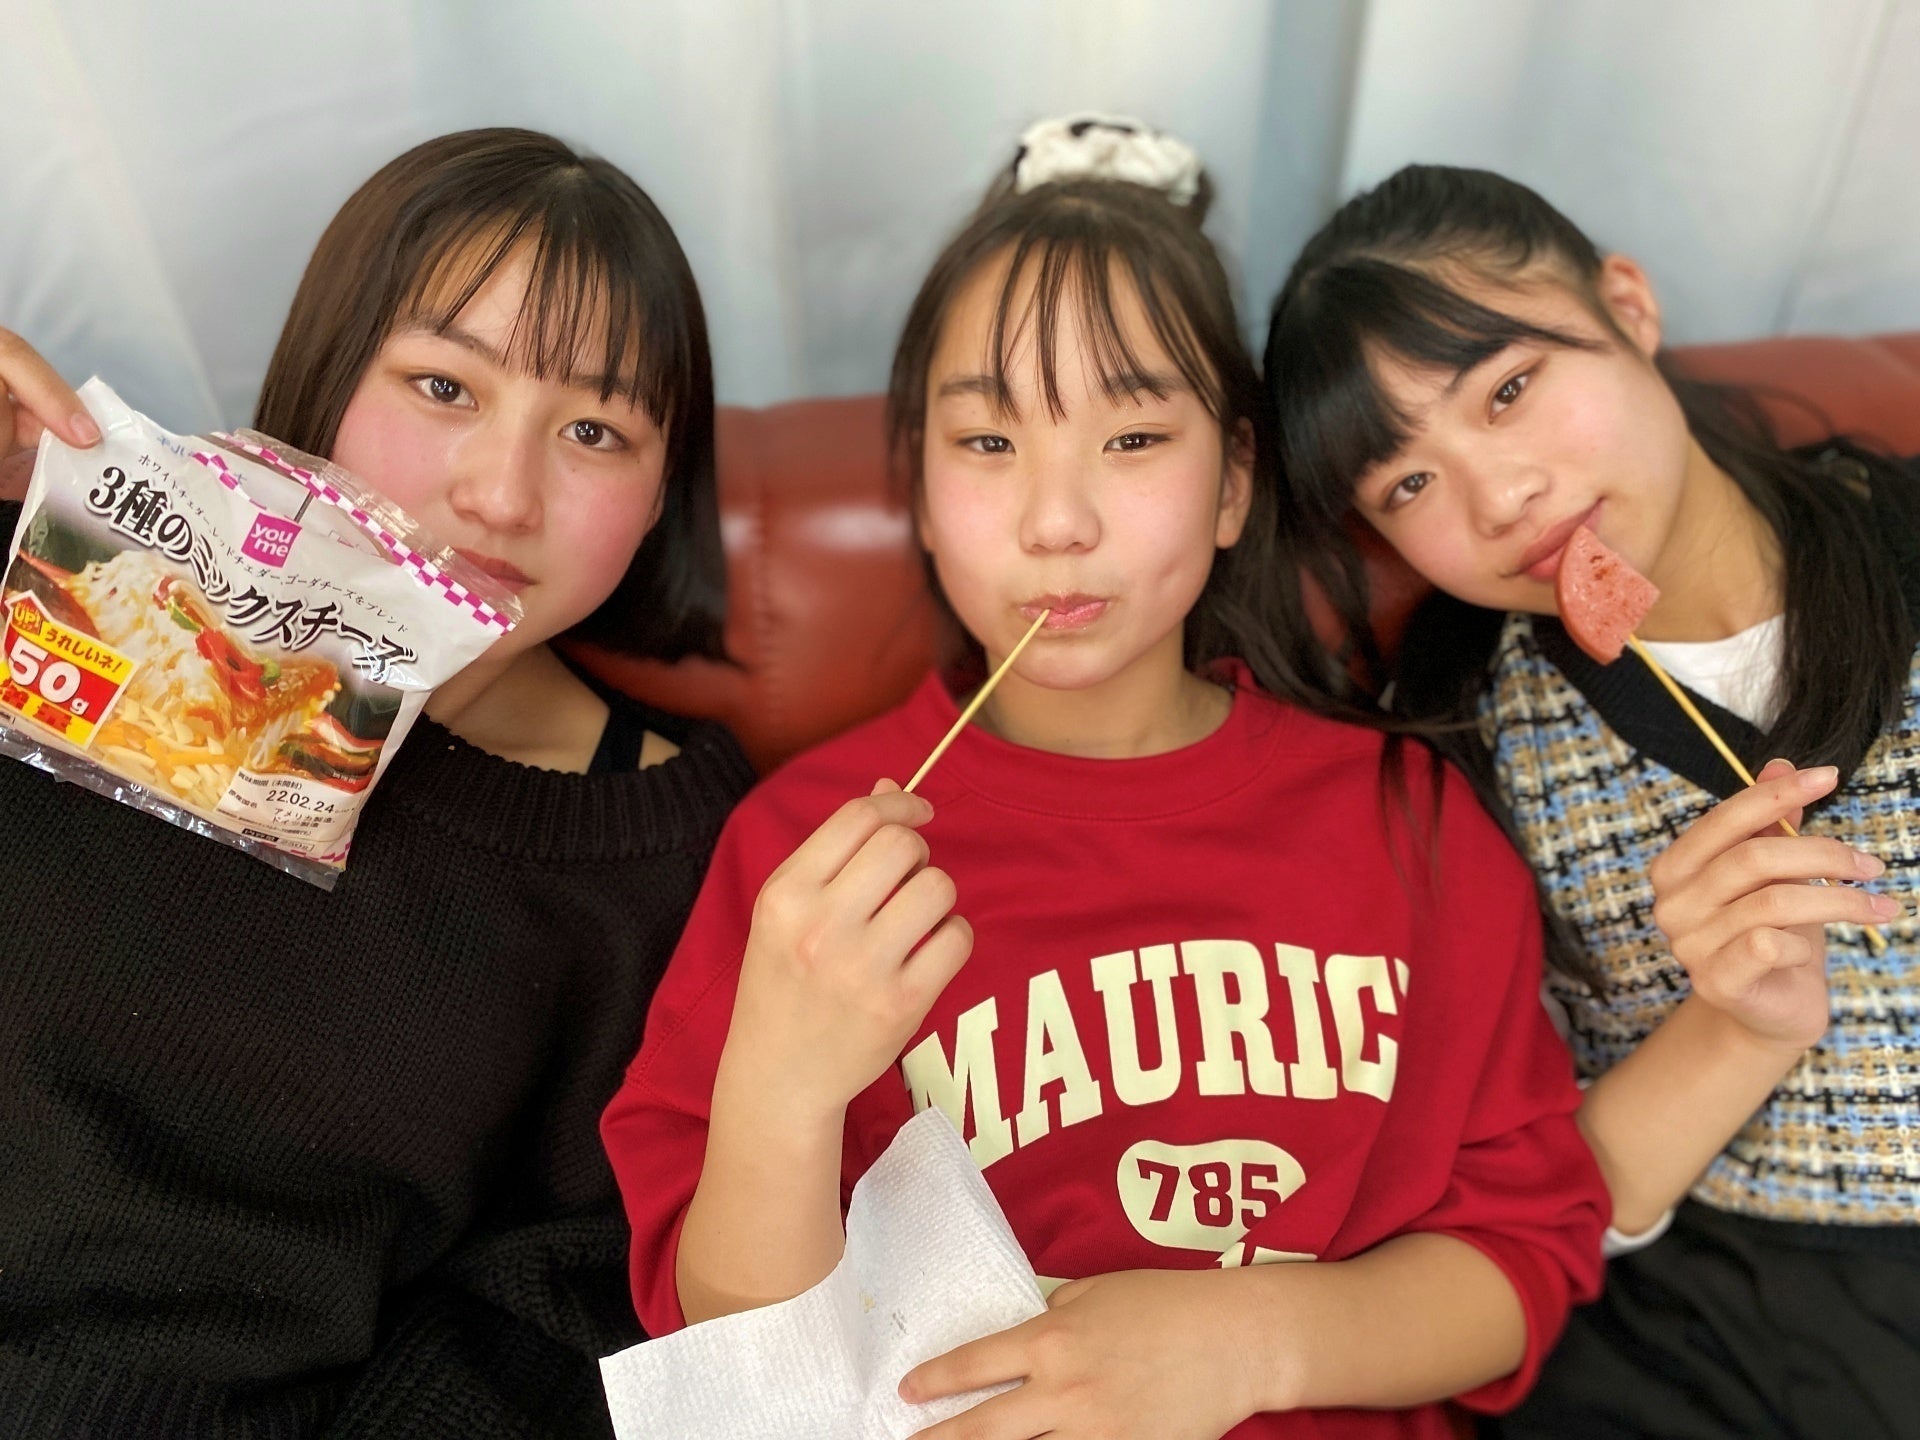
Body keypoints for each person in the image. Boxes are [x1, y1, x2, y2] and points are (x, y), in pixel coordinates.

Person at [601, 120, 1607, 1440]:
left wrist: (1242, 1344)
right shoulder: (806, 851)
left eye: (1133, 440)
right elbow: (728, 1346)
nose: (1057, 521)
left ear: (1234, 484)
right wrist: (779, 1092)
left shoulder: (1406, 821)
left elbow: (1525, 1256)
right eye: (988, 443)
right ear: (918, 488)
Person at [0, 128, 754, 1439]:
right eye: (445, 386)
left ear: (661, 494)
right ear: (331, 371)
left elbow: (556, 1308)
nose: (502, 494)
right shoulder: (80, 578)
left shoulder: (668, 857)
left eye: (593, 429)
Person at [1262, 162, 1920, 1439]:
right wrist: (1732, 1028)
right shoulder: (1455, 754)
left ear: (1627, 306)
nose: (1500, 499)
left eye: (1509, 390)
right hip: (1715, 1324)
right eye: (1407, 487)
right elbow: (1533, 1213)